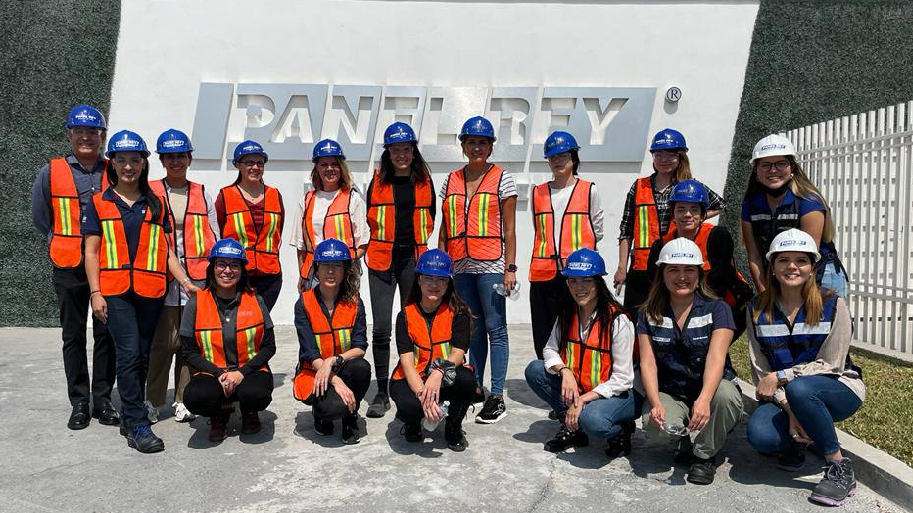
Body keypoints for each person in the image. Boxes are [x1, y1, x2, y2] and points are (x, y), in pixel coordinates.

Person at [83, 130, 199, 453]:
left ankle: (129, 415)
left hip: (150, 292)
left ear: (144, 163)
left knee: (143, 356)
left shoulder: (155, 203)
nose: (129, 167)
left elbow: (165, 251)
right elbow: (91, 252)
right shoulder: (99, 203)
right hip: (115, 292)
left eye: (135, 160)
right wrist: (95, 293)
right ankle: (136, 424)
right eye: (122, 160)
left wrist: (186, 281)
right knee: (130, 353)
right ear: (113, 164)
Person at [745, 229, 864, 507]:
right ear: (772, 267)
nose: (792, 267)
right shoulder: (756, 309)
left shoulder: (834, 304)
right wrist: (789, 409)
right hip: (785, 396)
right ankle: (800, 440)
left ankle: (838, 466)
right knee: (760, 436)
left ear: (812, 268)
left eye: (801, 260)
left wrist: (783, 376)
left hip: (836, 387)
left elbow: (832, 364)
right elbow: (760, 372)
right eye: (783, 260)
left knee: (801, 388)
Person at [30, 105, 118, 430]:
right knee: (73, 335)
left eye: (92, 132)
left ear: (101, 136)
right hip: (67, 265)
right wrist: (62, 242)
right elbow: (41, 218)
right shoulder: (51, 172)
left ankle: (104, 399)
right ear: (70, 134)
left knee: (106, 333)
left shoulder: (114, 171)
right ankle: (80, 401)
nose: (86, 137)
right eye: (79, 131)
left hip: (107, 264)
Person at [636, 237, 743, 485]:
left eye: (689, 270)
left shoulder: (718, 309)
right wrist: (655, 403)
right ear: (662, 273)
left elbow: (716, 357)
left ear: (699, 274)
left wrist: (704, 400)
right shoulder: (648, 313)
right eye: (673, 269)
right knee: (655, 428)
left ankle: (705, 455)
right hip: (672, 391)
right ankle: (684, 440)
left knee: (725, 396)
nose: (681, 276)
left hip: (712, 389)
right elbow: (648, 363)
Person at [438, 115, 518, 424]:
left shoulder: (502, 179)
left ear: (491, 146)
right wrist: (443, 266)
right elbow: (445, 228)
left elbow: (510, 230)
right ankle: (478, 386)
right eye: (471, 142)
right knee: (471, 330)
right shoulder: (452, 180)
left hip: (492, 265)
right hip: (460, 266)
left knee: (496, 329)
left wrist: (510, 268)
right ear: (463, 146)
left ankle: (497, 396)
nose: (477, 148)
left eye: (482, 143)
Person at [524, 249, 638, 459]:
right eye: (573, 281)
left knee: (594, 422)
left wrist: (583, 401)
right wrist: (564, 371)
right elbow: (549, 349)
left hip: (615, 394)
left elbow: (623, 379)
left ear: (598, 282)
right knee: (535, 370)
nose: (579, 288)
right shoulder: (567, 314)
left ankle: (621, 429)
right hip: (581, 389)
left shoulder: (618, 321)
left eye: (586, 281)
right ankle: (572, 426)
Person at [145, 128, 218, 424]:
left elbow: (214, 234)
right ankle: (152, 400)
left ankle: (183, 399)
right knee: (162, 344)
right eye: (170, 156)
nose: (176, 161)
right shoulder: (150, 191)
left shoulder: (202, 193)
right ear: (162, 160)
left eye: (181, 156)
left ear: (189, 158)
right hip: (162, 280)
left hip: (197, 281)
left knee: (190, 343)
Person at [364, 122, 436, 418]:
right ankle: (381, 392)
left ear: (413, 151)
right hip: (382, 261)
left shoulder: (424, 181)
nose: (401, 154)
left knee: (413, 327)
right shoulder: (378, 181)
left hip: (413, 263)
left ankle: (411, 381)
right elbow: (368, 218)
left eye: (406, 149)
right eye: (396, 149)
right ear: (388, 152)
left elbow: (431, 217)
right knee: (381, 329)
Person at [615, 129, 724, 314]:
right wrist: (621, 268)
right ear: (653, 156)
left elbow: (719, 204)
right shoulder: (639, 186)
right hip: (641, 268)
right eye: (659, 154)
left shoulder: (689, 186)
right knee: (636, 320)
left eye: (670, 154)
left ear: (680, 156)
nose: (664, 159)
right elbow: (626, 229)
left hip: (675, 264)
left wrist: (695, 218)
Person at [180, 238, 276, 442]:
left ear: (242, 271)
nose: (227, 270)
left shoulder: (256, 301)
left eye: (234, 265)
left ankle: (250, 412)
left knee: (257, 394)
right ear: (212, 268)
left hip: (248, 371)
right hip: (212, 372)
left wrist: (240, 373)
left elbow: (269, 347)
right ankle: (219, 413)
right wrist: (219, 374)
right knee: (195, 397)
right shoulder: (196, 303)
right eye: (221, 264)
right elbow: (188, 352)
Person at [741, 134, 848, 298]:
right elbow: (754, 256)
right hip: (782, 275)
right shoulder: (750, 205)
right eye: (766, 165)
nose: (773, 170)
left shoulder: (809, 202)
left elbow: (809, 255)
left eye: (781, 163)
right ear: (756, 170)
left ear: (792, 167)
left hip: (819, 276)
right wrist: (766, 296)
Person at [529, 131, 604, 360]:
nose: (558, 161)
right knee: (543, 334)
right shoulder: (537, 192)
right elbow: (539, 229)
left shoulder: (589, 189)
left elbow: (597, 230)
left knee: (576, 331)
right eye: (553, 157)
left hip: (578, 275)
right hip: (543, 275)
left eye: (563, 155)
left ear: (573, 158)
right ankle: (548, 379)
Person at [389, 249, 474, 451]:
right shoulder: (405, 316)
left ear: (449, 283)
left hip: (442, 375)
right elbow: (408, 365)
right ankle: (412, 423)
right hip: (414, 378)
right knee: (410, 408)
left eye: (441, 280)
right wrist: (422, 396)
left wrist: (439, 372)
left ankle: (453, 427)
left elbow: (458, 355)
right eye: (428, 278)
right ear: (419, 280)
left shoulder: (458, 313)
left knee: (467, 380)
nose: (434, 285)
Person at [646, 179, 752, 339]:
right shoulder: (661, 245)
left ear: (703, 214)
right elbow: (655, 283)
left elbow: (721, 282)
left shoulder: (717, 236)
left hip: (726, 304)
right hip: (680, 306)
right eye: (681, 209)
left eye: (694, 209)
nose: (687, 215)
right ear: (672, 212)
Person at [293, 238, 371, 445]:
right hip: (314, 371)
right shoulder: (303, 303)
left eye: (337, 266)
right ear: (316, 270)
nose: (330, 271)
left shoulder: (355, 302)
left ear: (346, 270)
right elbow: (309, 351)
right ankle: (321, 413)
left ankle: (350, 418)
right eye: (325, 265)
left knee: (361, 368)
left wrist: (333, 361)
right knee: (329, 410)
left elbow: (360, 346)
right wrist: (334, 379)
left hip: (343, 366)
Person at [289, 138, 369, 291]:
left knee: (346, 314)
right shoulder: (306, 201)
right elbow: (301, 245)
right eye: (324, 165)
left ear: (341, 168)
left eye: (334, 164)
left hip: (345, 272)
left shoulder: (353, 199)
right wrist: (303, 274)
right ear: (317, 169)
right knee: (312, 314)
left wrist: (344, 265)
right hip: (314, 273)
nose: (329, 169)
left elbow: (363, 243)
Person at [216, 140, 285, 310]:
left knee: (262, 324)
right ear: (238, 165)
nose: (255, 167)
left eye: (259, 163)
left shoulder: (275, 194)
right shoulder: (226, 195)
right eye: (249, 162)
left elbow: (278, 232)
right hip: (237, 275)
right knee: (239, 326)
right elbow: (218, 233)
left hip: (270, 276)